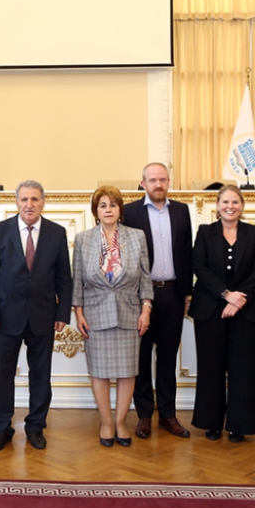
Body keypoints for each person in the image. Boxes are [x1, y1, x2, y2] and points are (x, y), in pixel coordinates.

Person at [0, 180, 73, 451]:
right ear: (17, 202)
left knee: (41, 375)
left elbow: (63, 278)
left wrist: (62, 313)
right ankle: (1, 428)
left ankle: (35, 427)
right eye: (24, 199)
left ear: (43, 202)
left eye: (34, 199)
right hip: (4, 317)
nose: (29, 204)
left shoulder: (57, 233)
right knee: (0, 375)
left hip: (43, 316)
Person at [73, 186, 153, 447]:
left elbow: (145, 277)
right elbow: (77, 281)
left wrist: (146, 309)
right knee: (99, 371)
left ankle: (121, 422)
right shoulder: (83, 239)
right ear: (96, 211)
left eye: (113, 205)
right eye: (102, 205)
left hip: (130, 313)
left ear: (120, 210)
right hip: (95, 314)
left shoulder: (137, 237)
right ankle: (106, 422)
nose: (108, 209)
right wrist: (78, 312)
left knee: (128, 372)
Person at [188, 185, 255, 443]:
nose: (230, 206)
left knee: (242, 369)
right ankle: (211, 422)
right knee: (211, 367)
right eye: (225, 202)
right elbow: (199, 265)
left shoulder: (254, 233)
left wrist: (239, 298)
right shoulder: (204, 232)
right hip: (210, 309)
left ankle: (238, 425)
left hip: (245, 311)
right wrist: (225, 294)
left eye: (235, 202)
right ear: (217, 205)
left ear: (242, 205)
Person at [121, 162, 194, 439]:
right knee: (140, 358)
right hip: (141, 297)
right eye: (152, 180)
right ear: (143, 183)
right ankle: (143, 416)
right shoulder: (129, 212)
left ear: (169, 181)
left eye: (162, 179)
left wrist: (187, 293)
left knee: (167, 358)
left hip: (173, 294)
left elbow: (186, 253)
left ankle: (168, 414)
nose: (158, 184)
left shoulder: (181, 210)